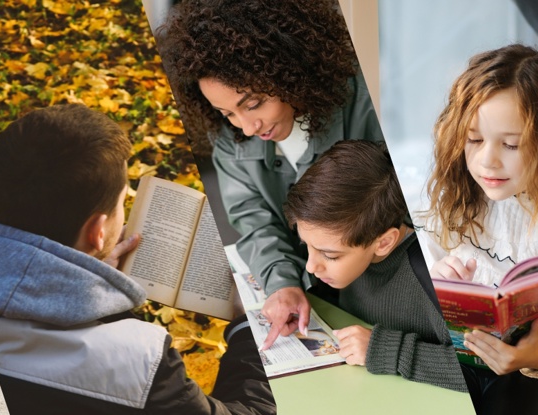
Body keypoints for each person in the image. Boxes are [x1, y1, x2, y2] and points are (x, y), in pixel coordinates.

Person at [0, 104, 276, 414]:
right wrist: (249, 323)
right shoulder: (140, 366)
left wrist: (94, 289)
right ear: (98, 232)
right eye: (122, 202)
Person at [159, 0, 385, 349]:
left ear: (290, 70)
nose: (247, 127)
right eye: (226, 113)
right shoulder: (229, 139)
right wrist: (282, 285)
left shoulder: (370, 103)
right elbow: (253, 220)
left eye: (253, 104)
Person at [418, 44, 538, 414]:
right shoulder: (459, 198)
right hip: (469, 361)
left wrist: (535, 355)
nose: (486, 160)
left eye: (511, 144)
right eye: (474, 139)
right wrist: (441, 285)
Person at [282, 140, 466, 391]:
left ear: (384, 243)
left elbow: (477, 369)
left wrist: (383, 350)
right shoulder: (345, 254)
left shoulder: (433, 276)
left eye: (330, 256)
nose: (311, 267)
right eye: (307, 246)